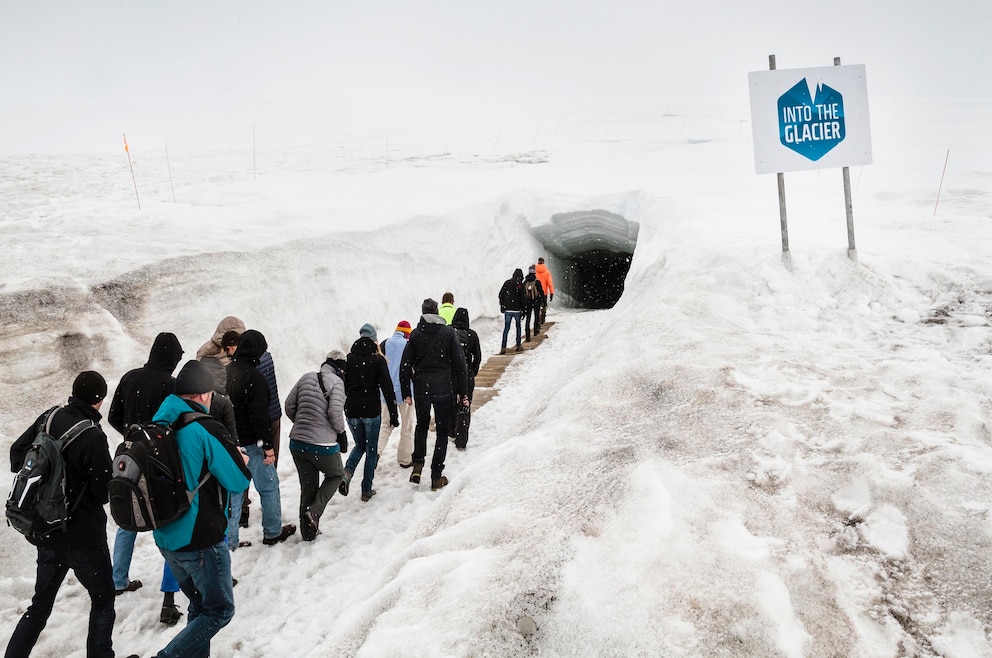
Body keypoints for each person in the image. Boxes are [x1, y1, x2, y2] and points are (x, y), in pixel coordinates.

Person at [6, 371, 117, 658]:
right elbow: (103, 492)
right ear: (99, 400)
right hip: (83, 539)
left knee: (40, 605)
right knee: (103, 600)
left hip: (46, 530)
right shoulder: (92, 435)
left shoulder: (50, 417)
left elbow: (17, 454)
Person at [149, 360, 251, 658]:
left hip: (166, 537)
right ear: (204, 395)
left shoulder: (158, 424)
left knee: (199, 606)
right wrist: (241, 460)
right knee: (220, 610)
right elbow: (237, 480)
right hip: (200, 539)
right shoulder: (204, 428)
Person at [106, 331, 186, 626]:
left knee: (127, 514)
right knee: (166, 517)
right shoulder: (171, 385)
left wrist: (131, 435)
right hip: (158, 461)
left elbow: (113, 416)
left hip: (128, 456)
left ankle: (117, 579)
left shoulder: (130, 377)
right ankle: (169, 596)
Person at [226, 329, 296, 546]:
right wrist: (268, 446)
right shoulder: (255, 378)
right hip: (253, 444)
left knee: (235, 494)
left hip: (231, 444)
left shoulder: (226, 372)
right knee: (268, 487)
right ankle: (273, 531)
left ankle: (230, 541)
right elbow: (260, 416)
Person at [400, 299, 469, 491]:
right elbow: (460, 364)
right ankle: (436, 475)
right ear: (437, 311)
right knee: (441, 431)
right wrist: (463, 392)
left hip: (422, 388)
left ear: (422, 313)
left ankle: (418, 464)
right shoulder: (448, 333)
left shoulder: (415, 334)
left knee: (421, 425)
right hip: (443, 389)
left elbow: (405, 365)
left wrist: (406, 391)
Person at [285, 351, 349, 540]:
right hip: (323, 445)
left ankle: (308, 533)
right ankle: (314, 512)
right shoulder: (337, 383)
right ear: (340, 368)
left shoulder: (305, 377)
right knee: (336, 475)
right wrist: (341, 433)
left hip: (297, 443)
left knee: (308, 486)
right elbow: (335, 413)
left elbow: (289, 405)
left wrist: (302, 424)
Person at [340, 324, 399, 502]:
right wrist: (394, 415)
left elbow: (344, 386)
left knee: (360, 444)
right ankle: (366, 489)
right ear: (375, 340)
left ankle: (347, 473)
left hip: (352, 411)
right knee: (371, 449)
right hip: (371, 411)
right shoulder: (378, 360)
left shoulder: (348, 359)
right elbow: (387, 388)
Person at [376, 320, 415, 467]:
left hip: (386, 393)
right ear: (407, 334)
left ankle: (376, 453)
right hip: (406, 394)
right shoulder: (409, 345)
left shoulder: (385, 344)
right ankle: (404, 459)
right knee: (407, 427)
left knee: (385, 425)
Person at [450, 307, 482, 450]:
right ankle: (461, 440)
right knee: (465, 403)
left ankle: (451, 431)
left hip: (451, 374)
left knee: (451, 403)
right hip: (466, 373)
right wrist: (473, 371)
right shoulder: (472, 335)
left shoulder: (449, 332)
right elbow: (478, 356)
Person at [498, 268, 526, 354]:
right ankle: (518, 345)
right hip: (517, 309)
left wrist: (502, 305)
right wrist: (523, 310)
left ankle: (503, 347)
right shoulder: (520, 285)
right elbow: (523, 299)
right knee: (518, 327)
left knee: (506, 328)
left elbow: (500, 294)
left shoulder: (507, 283)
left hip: (508, 309)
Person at [522, 265, 545, 342]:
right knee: (536, 316)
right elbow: (541, 292)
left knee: (528, 318)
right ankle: (535, 330)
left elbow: (523, 293)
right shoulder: (537, 282)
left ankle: (527, 334)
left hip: (528, 302)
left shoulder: (525, 282)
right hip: (536, 301)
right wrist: (544, 301)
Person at [535, 257, 555, 324]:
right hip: (544, 293)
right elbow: (550, 283)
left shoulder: (535, 271)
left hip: (536, 292)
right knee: (544, 305)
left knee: (537, 305)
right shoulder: (547, 272)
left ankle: (537, 317)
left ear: (538, 262)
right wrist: (551, 293)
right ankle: (543, 315)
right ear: (543, 262)